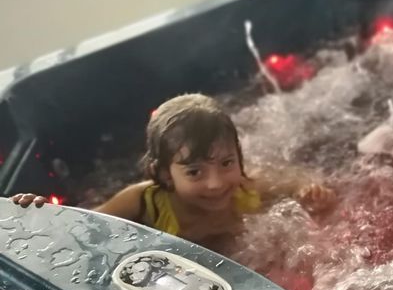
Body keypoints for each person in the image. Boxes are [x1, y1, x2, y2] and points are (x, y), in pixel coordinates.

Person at [10, 93, 334, 249]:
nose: (216, 183)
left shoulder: (248, 187)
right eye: (194, 172)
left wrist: (312, 193)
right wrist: (42, 216)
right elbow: (82, 227)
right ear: (164, 173)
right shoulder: (142, 201)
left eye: (226, 163)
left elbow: (300, 182)